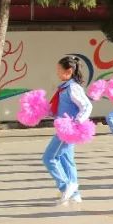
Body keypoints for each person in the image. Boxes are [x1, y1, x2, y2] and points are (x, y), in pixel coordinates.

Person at [43, 56, 93, 206]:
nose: (57, 73)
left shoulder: (73, 88)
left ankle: (66, 186)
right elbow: (61, 107)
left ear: (69, 71)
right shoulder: (65, 87)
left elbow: (87, 106)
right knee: (66, 160)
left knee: (49, 158)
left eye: (59, 70)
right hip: (64, 128)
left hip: (67, 130)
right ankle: (75, 195)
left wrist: (76, 123)